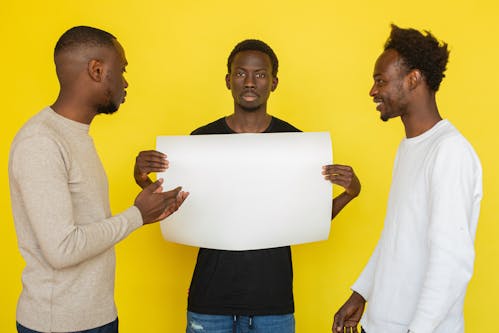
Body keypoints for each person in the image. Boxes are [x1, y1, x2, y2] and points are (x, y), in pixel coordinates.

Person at [134, 39, 360, 333]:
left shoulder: (296, 143)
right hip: (209, 300)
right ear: (228, 80)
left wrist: (350, 194)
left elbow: (308, 219)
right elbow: (176, 210)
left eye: (260, 74)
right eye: (241, 74)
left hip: (273, 303)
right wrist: (142, 179)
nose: (250, 82)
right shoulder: (200, 141)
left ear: (274, 82)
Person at [8, 26, 188, 333]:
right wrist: (136, 216)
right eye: (122, 70)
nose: (125, 82)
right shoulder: (40, 142)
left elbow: (88, 217)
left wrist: (148, 192)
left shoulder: (74, 135)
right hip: (59, 325)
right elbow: (62, 249)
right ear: (96, 70)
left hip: (96, 317)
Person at [332, 24, 482, 333]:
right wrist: (362, 293)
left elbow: (451, 261)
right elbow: (397, 235)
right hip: (380, 325)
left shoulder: (449, 152)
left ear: (413, 79)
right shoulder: (409, 148)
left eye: (381, 81)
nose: (373, 91)